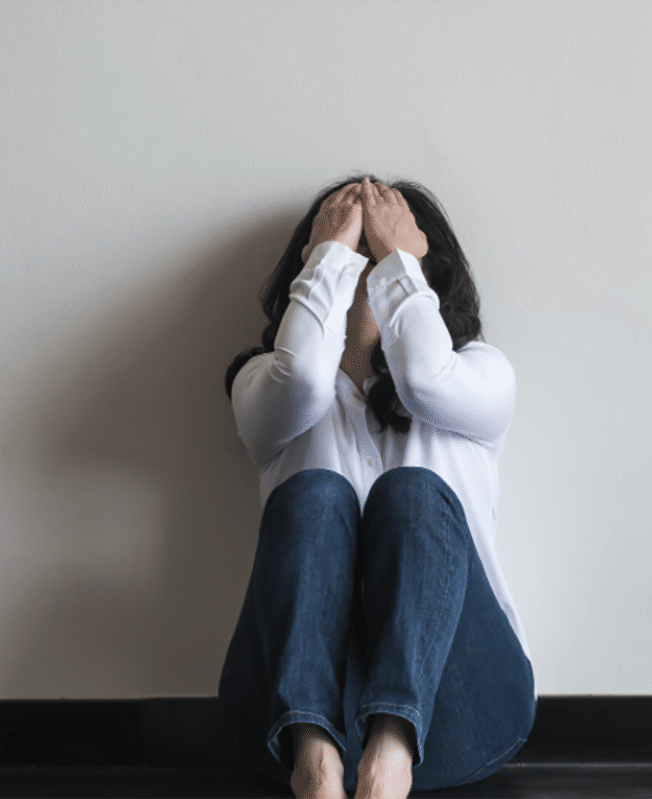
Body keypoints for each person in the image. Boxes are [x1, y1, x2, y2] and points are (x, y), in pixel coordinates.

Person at [218, 176, 534, 799]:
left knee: (412, 492)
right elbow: (306, 377)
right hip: (280, 721)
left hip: (463, 713)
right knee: (315, 493)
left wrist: (397, 261)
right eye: (350, 258)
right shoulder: (263, 384)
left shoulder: (482, 374)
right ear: (312, 271)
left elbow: (424, 378)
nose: (365, 276)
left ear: (420, 271)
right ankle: (316, 761)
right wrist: (330, 256)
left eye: (384, 259)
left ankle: (391, 757)